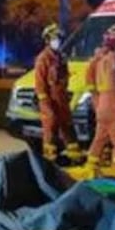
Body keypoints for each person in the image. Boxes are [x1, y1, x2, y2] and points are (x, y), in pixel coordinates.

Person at [82, 23, 115, 179]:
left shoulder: (100, 59)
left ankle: (91, 168)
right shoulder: (114, 59)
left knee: (100, 138)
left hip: (103, 105)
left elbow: (93, 82)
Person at [33, 24, 82, 165]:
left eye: (59, 39)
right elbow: (40, 84)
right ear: (47, 40)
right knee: (51, 127)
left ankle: (74, 156)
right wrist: (46, 104)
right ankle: (50, 159)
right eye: (55, 39)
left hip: (61, 99)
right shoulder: (43, 59)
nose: (58, 42)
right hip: (49, 100)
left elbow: (64, 78)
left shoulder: (60, 57)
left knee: (68, 126)